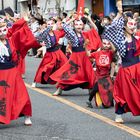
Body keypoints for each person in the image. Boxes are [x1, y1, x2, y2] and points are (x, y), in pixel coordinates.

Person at [103, 0, 140, 123]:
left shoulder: (137, 38)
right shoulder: (120, 39)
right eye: (130, 24)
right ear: (124, 26)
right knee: (123, 94)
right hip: (126, 70)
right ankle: (119, 114)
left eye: (134, 24)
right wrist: (119, 13)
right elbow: (110, 29)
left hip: (137, 69)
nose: (133, 27)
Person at [0, 16, 39, 125]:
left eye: (4, 30)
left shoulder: (10, 40)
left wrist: (23, 20)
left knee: (21, 94)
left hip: (12, 71)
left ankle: (27, 115)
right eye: (0, 31)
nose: (2, 33)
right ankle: (2, 117)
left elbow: (14, 28)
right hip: (0, 72)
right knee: (3, 96)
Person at [50, 15, 100, 96]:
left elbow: (95, 29)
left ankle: (90, 90)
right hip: (75, 57)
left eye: (80, 24)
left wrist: (89, 19)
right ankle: (60, 89)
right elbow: (63, 25)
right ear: (74, 26)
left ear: (83, 25)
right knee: (68, 73)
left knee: (88, 73)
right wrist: (72, 19)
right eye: (76, 25)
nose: (79, 26)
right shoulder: (72, 34)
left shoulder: (85, 34)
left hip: (84, 57)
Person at [31, 18, 68, 87]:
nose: (50, 25)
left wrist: (62, 24)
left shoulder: (56, 32)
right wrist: (47, 29)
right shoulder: (44, 33)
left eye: (51, 24)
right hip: (49, 53)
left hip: (58, 52)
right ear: (46, 25)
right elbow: (39, 38)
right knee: (44, 68)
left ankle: (62, 82)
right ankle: (35, 81)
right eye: (48, 24)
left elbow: (64, 31)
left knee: (64, 65)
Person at [86, 39, 115, 108]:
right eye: (104, 43)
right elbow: (89, 55)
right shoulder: (97, 53)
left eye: (108, 44)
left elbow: (114, 51)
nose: (106, 45)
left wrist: (111, 42)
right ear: (101, 44)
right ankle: (89, 100)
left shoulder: (111, 53)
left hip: (107, 75)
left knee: (110, 89)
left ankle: (110, 102)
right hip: (99, 75)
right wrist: (85, 47)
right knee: (96, 88)